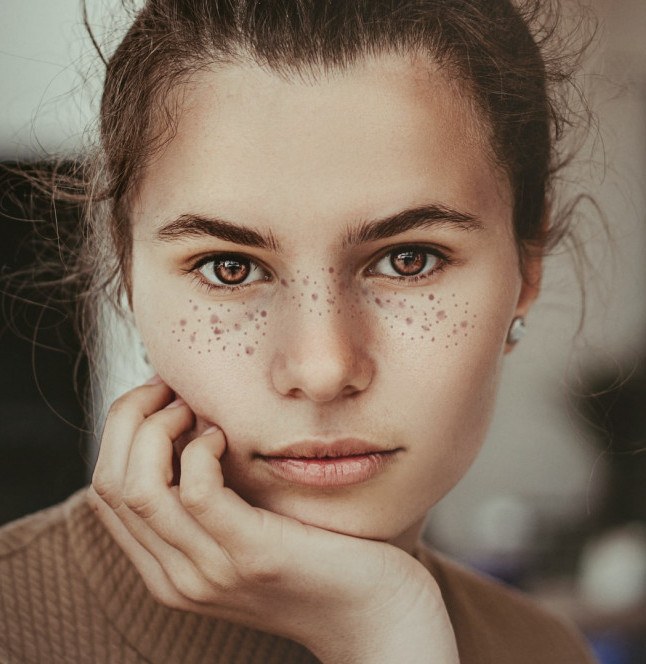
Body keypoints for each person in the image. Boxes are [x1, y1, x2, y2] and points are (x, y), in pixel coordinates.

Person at [0, 1, 599, 662]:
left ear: (529, 259)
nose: (321, 368)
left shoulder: (541, 650)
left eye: (409, 260)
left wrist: (389, 631)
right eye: (229, 269)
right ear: (129, 272)